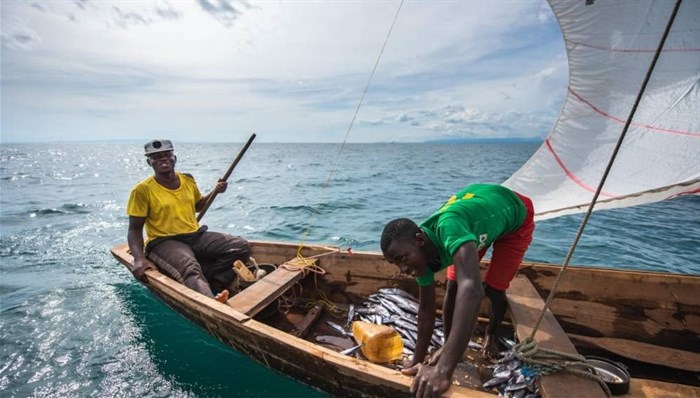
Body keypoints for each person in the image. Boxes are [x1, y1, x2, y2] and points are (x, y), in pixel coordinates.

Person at [380, 183, 535, 397]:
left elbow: (472, 291)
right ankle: (449, 345)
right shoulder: (420, 256)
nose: (403, 269)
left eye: (403, 259)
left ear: (420, 240)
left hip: (515, 214)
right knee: (453, 285)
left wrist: (444, 370)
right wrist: (417, 360)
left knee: (493, 288)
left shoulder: (449, 228)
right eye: (396, 264)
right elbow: (426, 309)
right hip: (477, 218)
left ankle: (492, 333)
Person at [126, 139, 251, 303]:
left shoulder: (188, 179)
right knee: (190, 268)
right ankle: (211, 303)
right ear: (149, 162)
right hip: (164, 241)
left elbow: (198, 205)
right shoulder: (142, 190)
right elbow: (134, 229)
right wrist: (139, 258)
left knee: (240, 246)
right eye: (156, 157)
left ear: (174, 158)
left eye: (167, 154)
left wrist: (216, 190)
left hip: (194, 236)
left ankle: (214, 284)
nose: (163, 159)